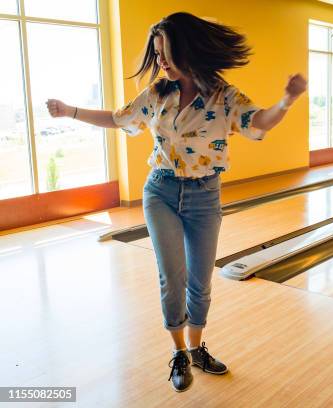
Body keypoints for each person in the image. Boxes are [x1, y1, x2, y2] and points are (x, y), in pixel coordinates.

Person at [46, 12, 307, 393]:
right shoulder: (157, 94)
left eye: (166, 53)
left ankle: (198, 347)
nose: (161, 61)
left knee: (200, 282)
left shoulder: (223, 95)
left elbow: (259, 121)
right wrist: (71, 111)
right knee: (173, 278)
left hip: (205, 195)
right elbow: (119, 118)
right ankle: (179, 353)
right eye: (157, 54)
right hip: (161, 191)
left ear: (187, 50)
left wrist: (286, 100)